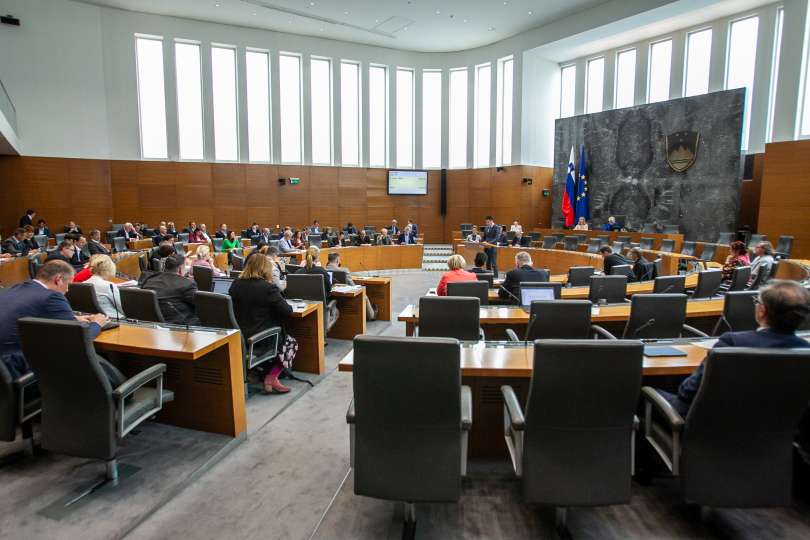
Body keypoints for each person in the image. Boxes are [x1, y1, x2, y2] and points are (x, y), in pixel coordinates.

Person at [654, 280, 810, 417]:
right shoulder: (805, 351)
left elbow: (687, 391)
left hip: (712, 426)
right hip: (775, 437)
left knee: (645, 392)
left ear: (762, 311)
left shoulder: (733, 342)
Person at [0, 260, 109, 380]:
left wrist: (73, 318)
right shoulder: (52, 296)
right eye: (68, 284)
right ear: (58, 279)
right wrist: (96, 324)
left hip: (4, 374)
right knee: (86, 359)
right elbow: (77, 338)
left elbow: (24, 314)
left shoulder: (14, 289)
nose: (67, 290)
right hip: (20, 373)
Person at [229, 254, 294, 394]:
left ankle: (257, 372)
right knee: (291, 343)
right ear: (266, 269)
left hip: (238, 337)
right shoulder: (268, 288)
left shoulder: (235, 284)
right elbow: (287, 311)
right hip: (261, 339)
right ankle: (272, 377)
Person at [140, 254, 198, 325]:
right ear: (179, 269)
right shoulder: (187, 284)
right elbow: (200, 304)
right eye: (185, 266)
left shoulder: (149, 279)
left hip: (148, 323)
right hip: (178, 325)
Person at [326, 252, 376, 320]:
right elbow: (352, 285)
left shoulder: (324, 270)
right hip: (345, 297)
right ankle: (372, 316)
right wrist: (360, 286)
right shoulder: (344, 270)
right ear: (337, 260)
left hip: (331, 296)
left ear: (328, 260)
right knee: (365, 296)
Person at [84, 255, 126, 319]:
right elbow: (121, 307)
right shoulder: (109, 285)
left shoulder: (83, 283)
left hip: (92, 317)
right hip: (112, 318)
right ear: (108, 270)